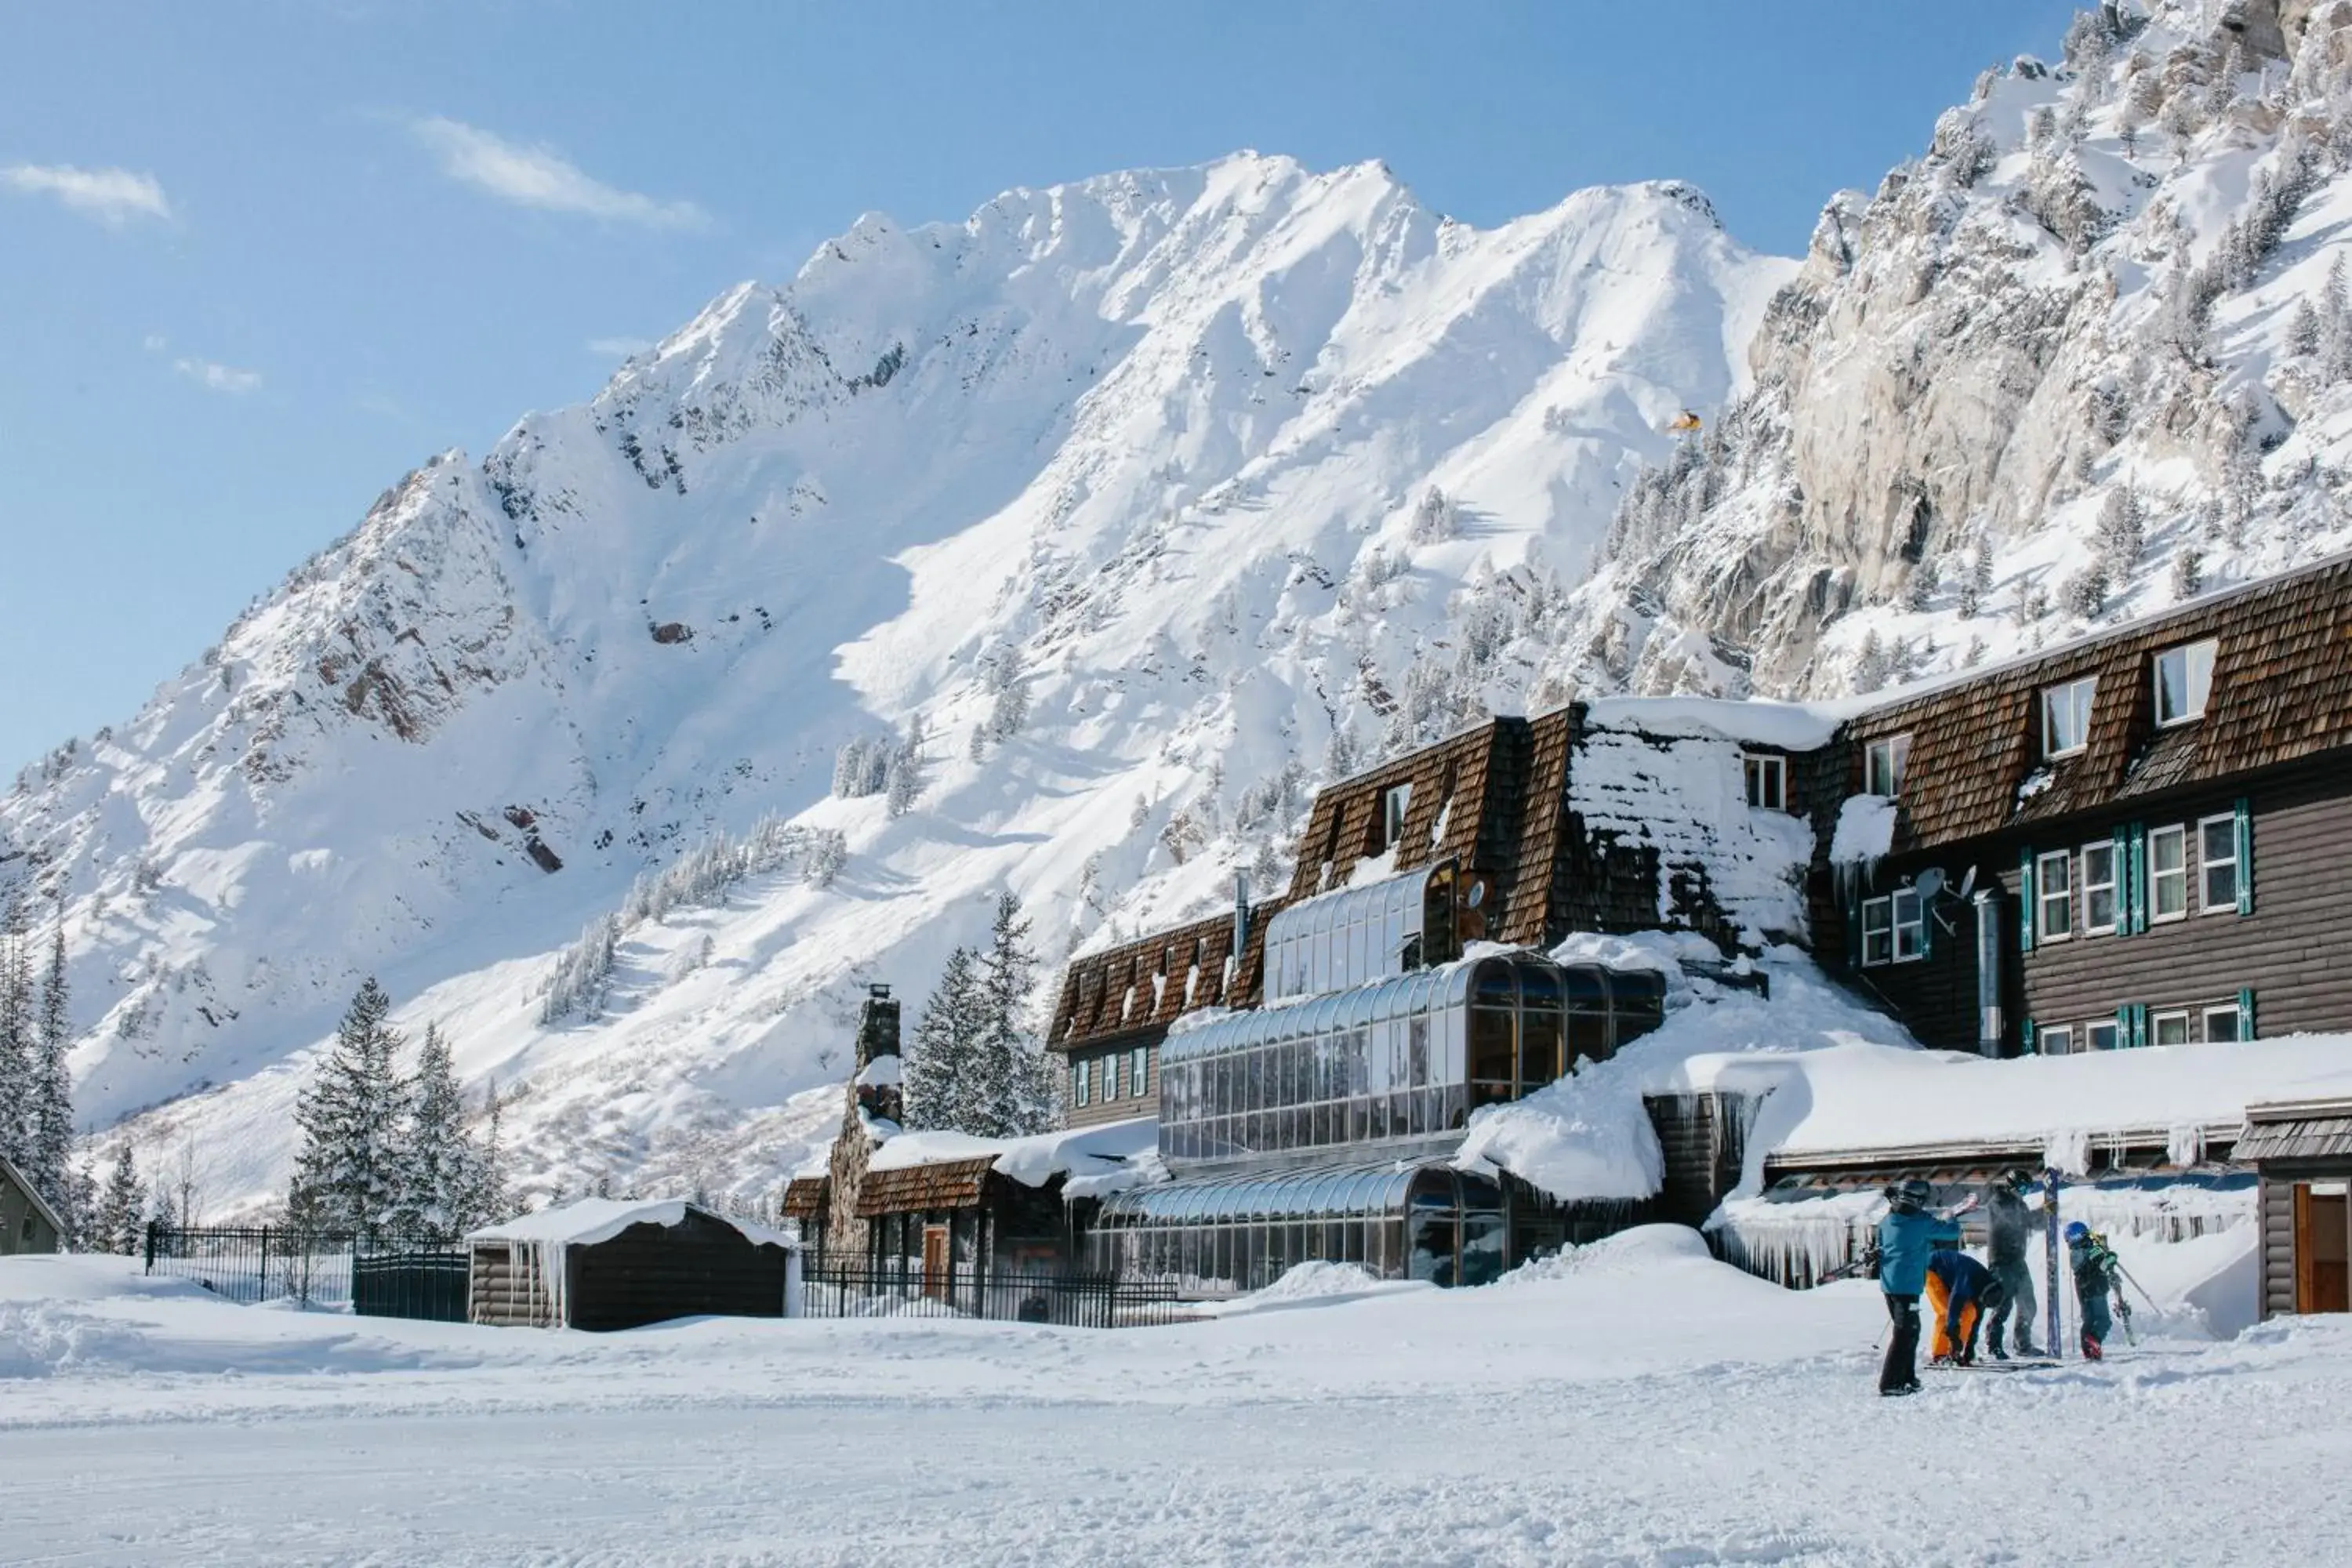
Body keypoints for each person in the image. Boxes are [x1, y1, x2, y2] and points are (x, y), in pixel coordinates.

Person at [1877, 1178, 1961, 1396]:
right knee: (1905, 1334)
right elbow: (1952, 1233)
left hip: (1889, 1285)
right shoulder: (1921, 1222)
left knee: (1910, 1332)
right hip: (1907, 1286)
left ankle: (1908, 1378)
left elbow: (1880, 1241)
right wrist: (1952, 1218)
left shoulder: (1888, 1219)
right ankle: (1890, 1383)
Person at [1982, 1168, 2042, 1359]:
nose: (2024, 1192)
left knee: (2028, 1304)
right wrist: (2041, 1212)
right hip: (2001, 1261)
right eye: (2023, 1188)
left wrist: (2047, 1214)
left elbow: (2033, 1223)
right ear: (2012, 1184)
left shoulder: (2020, 1204)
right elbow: (2013, 1220)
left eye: (2027, 1189)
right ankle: (1994, 1345)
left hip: (2018, 1261)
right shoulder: (1997, 1201)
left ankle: (2022, 1344)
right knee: (2003, 1305)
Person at [1923, 1248, 2008, 1366]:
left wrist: (1970, 1347)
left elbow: (1976, 1320)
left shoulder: (1986, 1289)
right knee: (1946, 1312)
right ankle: (1939, 1355)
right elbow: (1954, 1305)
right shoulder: (1969, 1280)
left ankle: (1956, 1352)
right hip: (1932, 1269)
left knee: (1970, 1312)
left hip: (1951, 1275)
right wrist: (1953, 1333)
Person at [2067, 1221, 2122, 1360]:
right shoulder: (2086, 1251)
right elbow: (2099, 1267)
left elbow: (2095, 1264)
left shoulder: (2077, 1252)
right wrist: (2108, 1259)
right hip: (2095, 1288)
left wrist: (2105, 1255)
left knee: (2089, 1320)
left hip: (2084, 1290)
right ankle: (2094, 1341)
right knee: (2103, 1320)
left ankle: (2089, 1349)